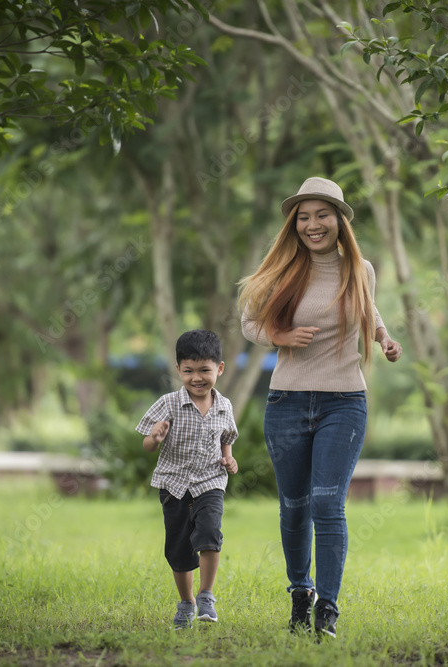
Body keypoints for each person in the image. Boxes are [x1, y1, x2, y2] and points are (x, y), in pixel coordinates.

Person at [238, 176, 402, 638]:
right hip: (287, 402)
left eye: (322, 215)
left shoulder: (361, 269)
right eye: (304, 217)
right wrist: (281, 336)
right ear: (295, 223)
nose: (313, 225)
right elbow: (249, 322)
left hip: (344, 401)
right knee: (294, 507)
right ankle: (300, 591)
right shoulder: (282, 271)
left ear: (339, 220)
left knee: (328, 504)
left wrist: (384, 338)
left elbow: (368, 309)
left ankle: (327, 607)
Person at [135, 329, 239, 630]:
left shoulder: (224, 406)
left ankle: (206, 595)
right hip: (174, 486)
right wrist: (155, 439)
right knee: (179, 548)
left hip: (210, 482)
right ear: (178, 369)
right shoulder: (168, 403)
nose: (197, 378)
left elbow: (227, 436)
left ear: (219, 368)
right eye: (189, 370)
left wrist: (229, 458)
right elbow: (147, 444)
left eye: (204, 370)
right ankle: (187, 602)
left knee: (210, 533)